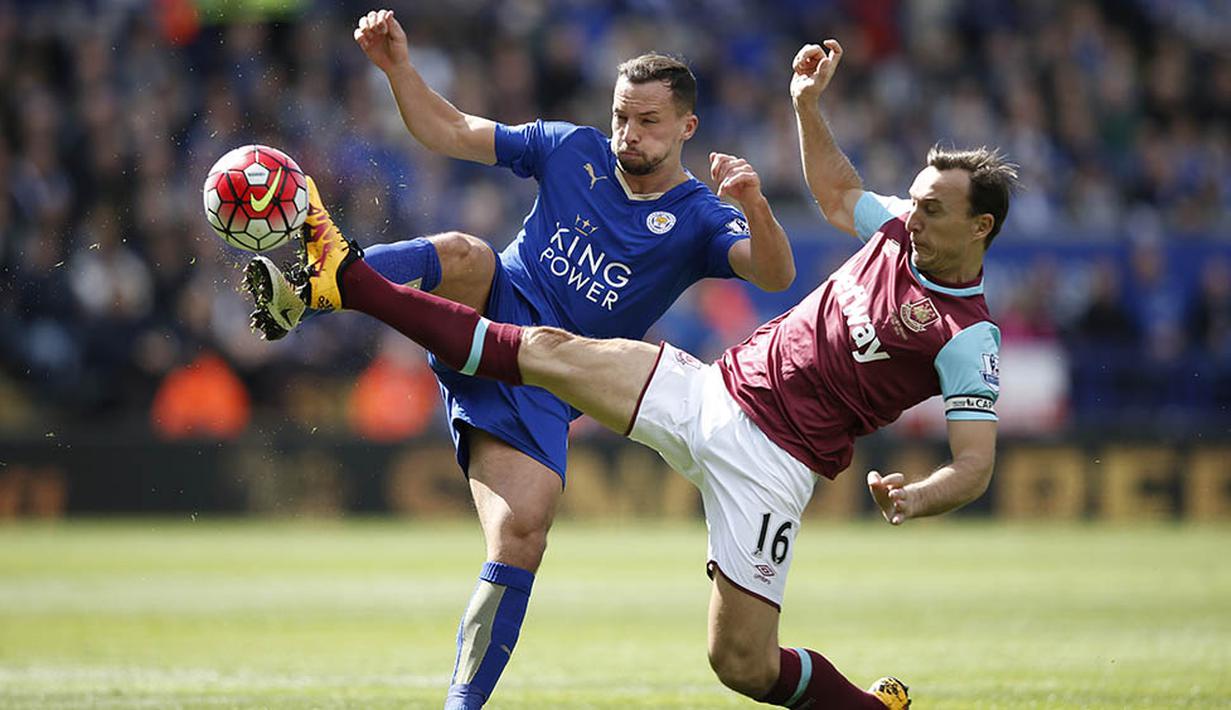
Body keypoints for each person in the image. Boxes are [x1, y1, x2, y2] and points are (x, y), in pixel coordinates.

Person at [260, 37, 1017, 708]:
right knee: (508, 305)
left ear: (978, 227)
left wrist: (916, 497)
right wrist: (804, 104)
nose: (910, 217)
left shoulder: (965, 334)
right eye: (622, 115)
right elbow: (837, 191)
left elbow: (973, 463)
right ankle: (333, 282)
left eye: (930, 210)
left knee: (738, 663)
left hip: (776, 464)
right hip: (707, 389)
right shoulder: (886, 224)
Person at [242, 9, 796, 709]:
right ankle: (309, 290)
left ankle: (461, 705)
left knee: (522, 535)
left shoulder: (697, 216)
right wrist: (397, 70)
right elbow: (448, 130)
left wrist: (754, 204)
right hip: (490, 306)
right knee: (468, 253)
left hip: (548, 380)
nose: (630, 132)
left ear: (687, 126)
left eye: (650, 121)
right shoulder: (570, 149)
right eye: (623, 115)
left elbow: (772, 275)